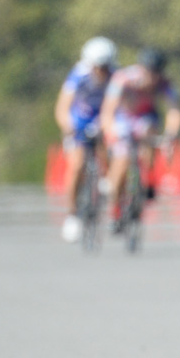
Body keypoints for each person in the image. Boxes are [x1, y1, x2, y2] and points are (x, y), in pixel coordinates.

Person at [100, 47, 180, 231]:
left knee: (151, 133)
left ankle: (148, 178)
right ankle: (116, 209)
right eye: (148, 72)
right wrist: (111, 133)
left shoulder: (165, 83)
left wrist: (170, 135)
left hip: (146, 118)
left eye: (156, 73)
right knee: (120, 166)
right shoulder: (124, 78)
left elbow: (174, 110)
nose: (151, 77)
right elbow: (108, 110)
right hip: (123, 118)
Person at [54, 37, 118, 243]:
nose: (101, 71)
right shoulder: (78, 74)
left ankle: (108, 181)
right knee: (77, 165)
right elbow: (63, 107)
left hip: (105, 117)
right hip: (80, 119)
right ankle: (73, 215)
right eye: (97, 67)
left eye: (105, 67)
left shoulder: (116, 75)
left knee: (112, 146)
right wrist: (68, 127)